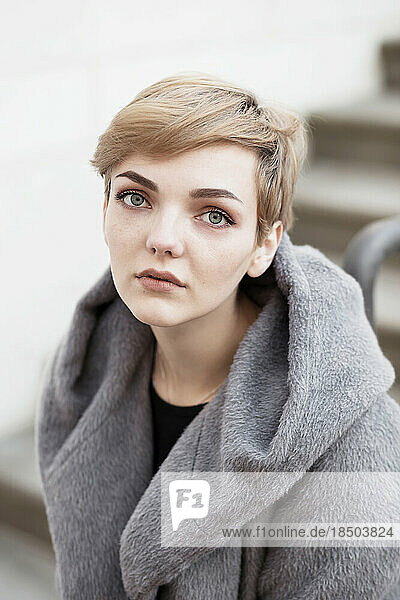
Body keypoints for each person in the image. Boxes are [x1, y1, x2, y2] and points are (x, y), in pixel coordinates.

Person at [35, 72, 400, 600]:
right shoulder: (83, 377)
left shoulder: (356, 445)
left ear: (264, 246)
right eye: (136, 197)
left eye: (214, 214)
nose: (162, 240)